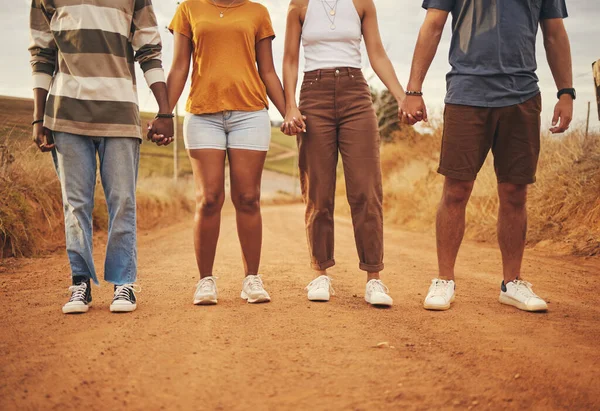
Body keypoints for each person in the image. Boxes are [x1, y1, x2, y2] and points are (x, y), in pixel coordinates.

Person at [401, 0, 574, 311]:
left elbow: (554, 33)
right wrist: (414, 89)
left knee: (514, 191)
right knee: (456, 190)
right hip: (467, 94)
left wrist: (566, 92)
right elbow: (433, 25)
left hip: (521, 95)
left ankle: (512, 283)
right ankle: (444, 280)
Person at [29, 0, 174, 314]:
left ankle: (124, 284)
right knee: (75, 203)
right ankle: (79, 282)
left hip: (119, 112)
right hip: (66, 113)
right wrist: (38, 118)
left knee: (122, 200)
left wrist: (165, 112)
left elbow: (148, 48)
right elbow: (42, 54)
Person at [161, 0, 287, 305]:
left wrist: (289, 112)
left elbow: (267, 70)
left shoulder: (257, 12)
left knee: (248, 198)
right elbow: (179, 67)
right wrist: (165, 113)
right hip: (203, 114)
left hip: (250, 114)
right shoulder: (189, 8)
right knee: (209, 199)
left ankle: (251, 280)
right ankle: (205, 281)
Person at [281, 0, 406, 306]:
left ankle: (374, 279)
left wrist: (402, 96)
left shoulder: (363, 4)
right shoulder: (298, 6)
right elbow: (289, 59)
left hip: (355, 95)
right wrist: (290, 105)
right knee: (318, 192)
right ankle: (321, 274)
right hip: (313, 93)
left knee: (366, 189)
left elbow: (376, 53)